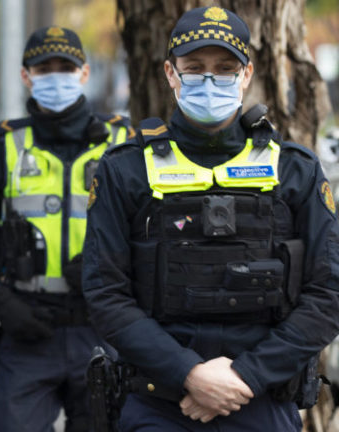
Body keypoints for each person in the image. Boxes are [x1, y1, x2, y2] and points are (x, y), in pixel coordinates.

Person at [81, 6, 339, 431]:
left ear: (247, 74)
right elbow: (105, 292)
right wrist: (189, 374)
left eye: (224, 69)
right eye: (194, 68)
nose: (209, 80)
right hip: (160, 404)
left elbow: (327, 292)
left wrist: (245, 376)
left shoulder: (296, 170)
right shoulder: (124, 170)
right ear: (170, 73)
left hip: (260, 400)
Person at [0, 25, 133, 432]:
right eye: (44, 68)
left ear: (84, 73)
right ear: (26, 76)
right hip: (27, 331)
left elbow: (148, 236)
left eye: (66, 67)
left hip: (102, 329)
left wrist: (103, 267)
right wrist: (1, 302)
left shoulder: (123, 141)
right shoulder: (4, 145)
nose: (56, 76)